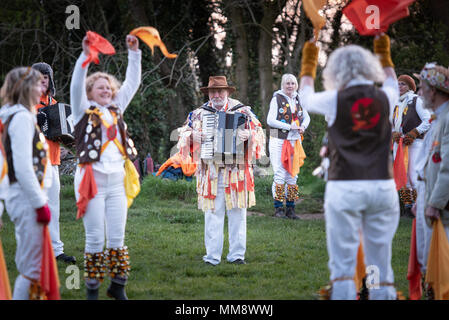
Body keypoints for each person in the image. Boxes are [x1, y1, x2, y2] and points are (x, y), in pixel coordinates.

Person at [299, 34, 400, 299]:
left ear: (336, 71)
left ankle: (345, 292)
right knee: (379, 256)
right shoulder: (387, 97)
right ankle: (379, 292)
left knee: (343, 262)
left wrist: (310, 57)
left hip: (345, 187)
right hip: (382, 185)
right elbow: (391, 80)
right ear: (370, 68)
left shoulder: (334, 99)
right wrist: (382, 49)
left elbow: (305, 98)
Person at [70, 34, 141, 300]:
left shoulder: (116, 109)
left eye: (108, 87)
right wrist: (85, 56)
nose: (106, 90)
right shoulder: (82, 112)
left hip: (116, 183)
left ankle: (118, 286)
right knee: (95, 238)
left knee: (117, 238)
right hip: (92, 183)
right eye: (100, 87)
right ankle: (91, 290)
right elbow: (76, 83)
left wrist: (134, 54)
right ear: (90, 93)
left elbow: (132, 83)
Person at [176, 76, 265, 266]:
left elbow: (260, 133)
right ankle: (212, 257)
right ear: (208, 93)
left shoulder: (243, 111)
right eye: (213, 91)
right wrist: (193, 135)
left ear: (228, 92)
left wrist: (249, 134)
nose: (216, 95)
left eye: (220, 91)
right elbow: (181, 134)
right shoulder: (198, 114)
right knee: (213, 214)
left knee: (238, 214)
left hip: (237, 171)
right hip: (211, 172)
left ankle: (237, 255)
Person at [0, 66, 53, 299]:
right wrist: (40, 203)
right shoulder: (20, 118)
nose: (41, 88)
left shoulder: (13, 113)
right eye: (36, 84)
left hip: (22, 196)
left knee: (30, 264)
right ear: (24, 88)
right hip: (26, 198)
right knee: (32, 269)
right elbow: (21, 166)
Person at [31, 62, 76, 264]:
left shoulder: (54, 103)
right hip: (33, 161)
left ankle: (55, 250)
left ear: (50, 80)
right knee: (35, 206)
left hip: (53, 161)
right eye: (37, 78)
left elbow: (59, 134)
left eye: (45, 78)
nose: (42, 81)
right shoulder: (26, 102)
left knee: (53, 207)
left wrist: (67, 140)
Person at [415, 62, 449, 298]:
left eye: (421, 87)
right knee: (431, 263)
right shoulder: (440, 118)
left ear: (433, 91)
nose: (419, 92)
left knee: (443, 266)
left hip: (443, 209)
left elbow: (448, 168)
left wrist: (434, 203)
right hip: (433, 203)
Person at [267, 74, 310, 219]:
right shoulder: (276, 99)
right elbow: (270, 120)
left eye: (292, 83)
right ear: (283, 85)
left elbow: (306, 116)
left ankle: (291, 208)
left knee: (293, 175)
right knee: (279, 173)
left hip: (294, 140)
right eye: (287, 83)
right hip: (278, 139)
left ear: (296, 85)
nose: (290, 86)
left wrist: (303, 126)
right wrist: (288, 126)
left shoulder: (299, 98)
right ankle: (278, 208)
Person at [392, 74, 431, 216]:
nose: (399, 87)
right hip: (400, 143)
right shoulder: (396, 102)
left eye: (403, 84)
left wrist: (414, 132)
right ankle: (409, 207)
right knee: (403, 176)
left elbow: (428, 120)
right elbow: (391, 123)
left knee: (414, 176)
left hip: (415, 143)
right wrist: (394, 133)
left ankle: (420, 206)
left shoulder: (416, 100)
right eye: (398, 84)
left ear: (410, 87)